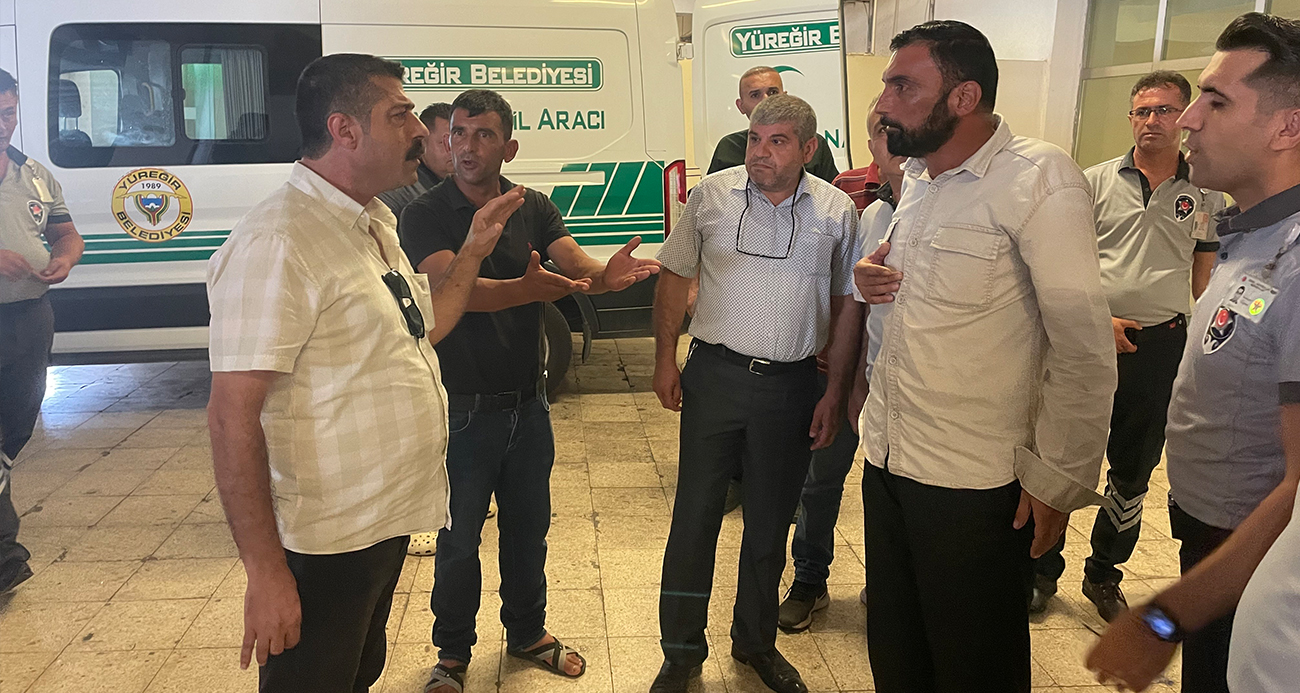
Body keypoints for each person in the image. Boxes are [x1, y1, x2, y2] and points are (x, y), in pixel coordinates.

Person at [205, 54, 525, 693]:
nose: (422, 131)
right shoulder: (280, 240)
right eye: (400, 114)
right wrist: (266, 573)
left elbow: (424, 326)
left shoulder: (370, 221)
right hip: (326, 540)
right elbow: (230, 414)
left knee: (357, 674)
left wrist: (472, 252)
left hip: (380, 523)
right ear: (344, 130)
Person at [853, 21, 1116, 693]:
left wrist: (1057, 480)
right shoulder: (920, 180)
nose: (883, 104)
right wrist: (870, 280)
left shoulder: (1038, 179)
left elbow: (1083, 350)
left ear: (964, 97)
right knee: (898, 655)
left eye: (903, 86)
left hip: (973, 484)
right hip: (889, 462)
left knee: (974, 667)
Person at [397, 88, 661, 693]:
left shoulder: (532, 205)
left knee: (527, 530)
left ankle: (527, 632)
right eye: (458, 133)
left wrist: (605, 277)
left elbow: (573, 265)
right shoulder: (424, 213)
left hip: (527, 405)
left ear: (509, 147)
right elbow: (451, 293)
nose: (467, 146)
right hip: (461, 409)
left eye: (483, 134)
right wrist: (532, 288)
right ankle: (452, 653)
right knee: (458, 539)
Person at [1085, 13, 1300, 693]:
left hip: (1255, 565)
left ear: (1288, 126)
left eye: (1216, 100)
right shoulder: (1250, 238)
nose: (1186, 120)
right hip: (1210, 542)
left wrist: (1165, 619)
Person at [650, 93, 862, 693]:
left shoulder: (836, 211)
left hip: (791, 387)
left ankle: (756, 643)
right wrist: (664, 359)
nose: (760, 153)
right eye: (754, 139)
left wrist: (834, 390)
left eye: (777, 141)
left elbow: (847, 304)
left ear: (808, 148)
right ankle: (681, 653)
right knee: (694, 520)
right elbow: (674, 276)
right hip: (714, 379)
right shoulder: (711, 197)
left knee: (769, 524)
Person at [1030, 71, 1226, 621]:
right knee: (1066, 457)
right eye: (1141, 111)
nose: (1151, 121)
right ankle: (1041, 571)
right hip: (1089, 340)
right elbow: (1065, 265)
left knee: (1134, 469)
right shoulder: (1091, 182)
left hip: (1161, 343)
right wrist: (1098, 320)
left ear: (1184, 117)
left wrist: (1201, 344)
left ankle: (1104, 573)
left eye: (1164, 110)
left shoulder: (1207, 192)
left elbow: (1204, 275)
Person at [777, 100, 904, 632]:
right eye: (882, 132)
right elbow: (847, 301)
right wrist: (845, 384)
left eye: (901, 130)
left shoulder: (948, 205)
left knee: (893, 492)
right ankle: (810, 579)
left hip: (909, 389)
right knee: (820, 480)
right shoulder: (861, 209)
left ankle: (891, 582)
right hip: (849, 375)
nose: (894, 141)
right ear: (870, 146)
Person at [0, 67, 83, 595]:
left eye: (7, 114)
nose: (1, 125)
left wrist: (65, 258)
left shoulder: (33, 174)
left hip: (29, 319)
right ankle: (6, 557)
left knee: (15, 429)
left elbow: (66, 233)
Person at [707, 66, 839, 183]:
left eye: (773, 93)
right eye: (755, 95)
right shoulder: (728, 148)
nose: (766, 100)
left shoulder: (811, 143)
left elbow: (831, 195)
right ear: (741, 106)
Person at [379, 102, 455, 220]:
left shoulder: (469, 185)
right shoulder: (399, 188)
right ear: (423, 143)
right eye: (445, 143)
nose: (454, 151)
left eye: (459, 142)